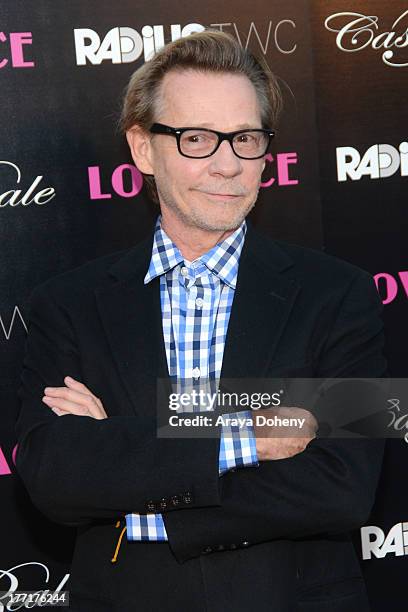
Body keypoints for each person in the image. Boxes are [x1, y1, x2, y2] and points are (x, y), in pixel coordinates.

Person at [15, 30, 386, 612]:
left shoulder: (338, 294)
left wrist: (127, 457)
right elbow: (56, 476)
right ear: (142, 149)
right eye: (195, 139)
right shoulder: (68, 304)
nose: (226, 165)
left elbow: (343, 487)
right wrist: (244, 437)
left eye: (245, 138)